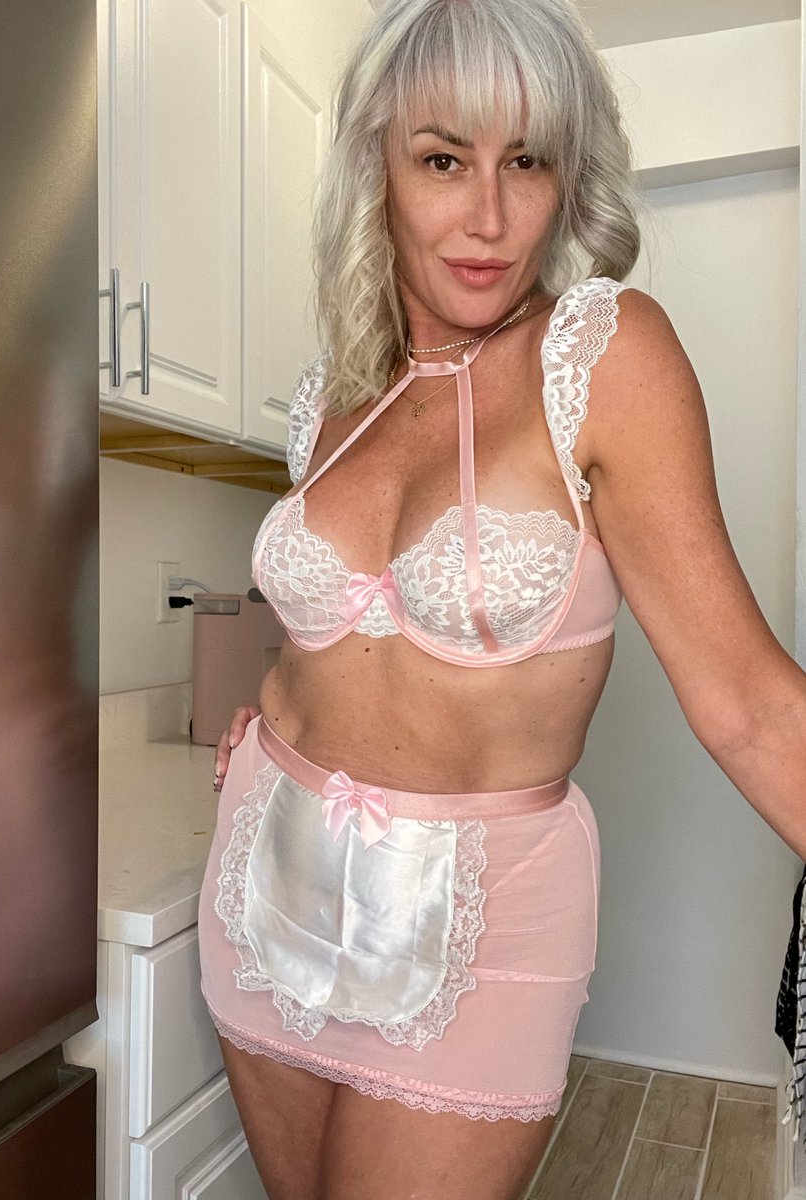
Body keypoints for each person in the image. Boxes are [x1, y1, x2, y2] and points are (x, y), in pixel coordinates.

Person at [198, 2, 806, 1197]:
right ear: (378, 167)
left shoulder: (604, 354)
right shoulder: (330, 397)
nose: (488, 216)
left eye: (526, 161)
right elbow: (335, 636)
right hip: (264, 874)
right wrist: (268, 712)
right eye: (443, 160)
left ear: (567, 177)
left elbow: (748, 703)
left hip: (482, 928)